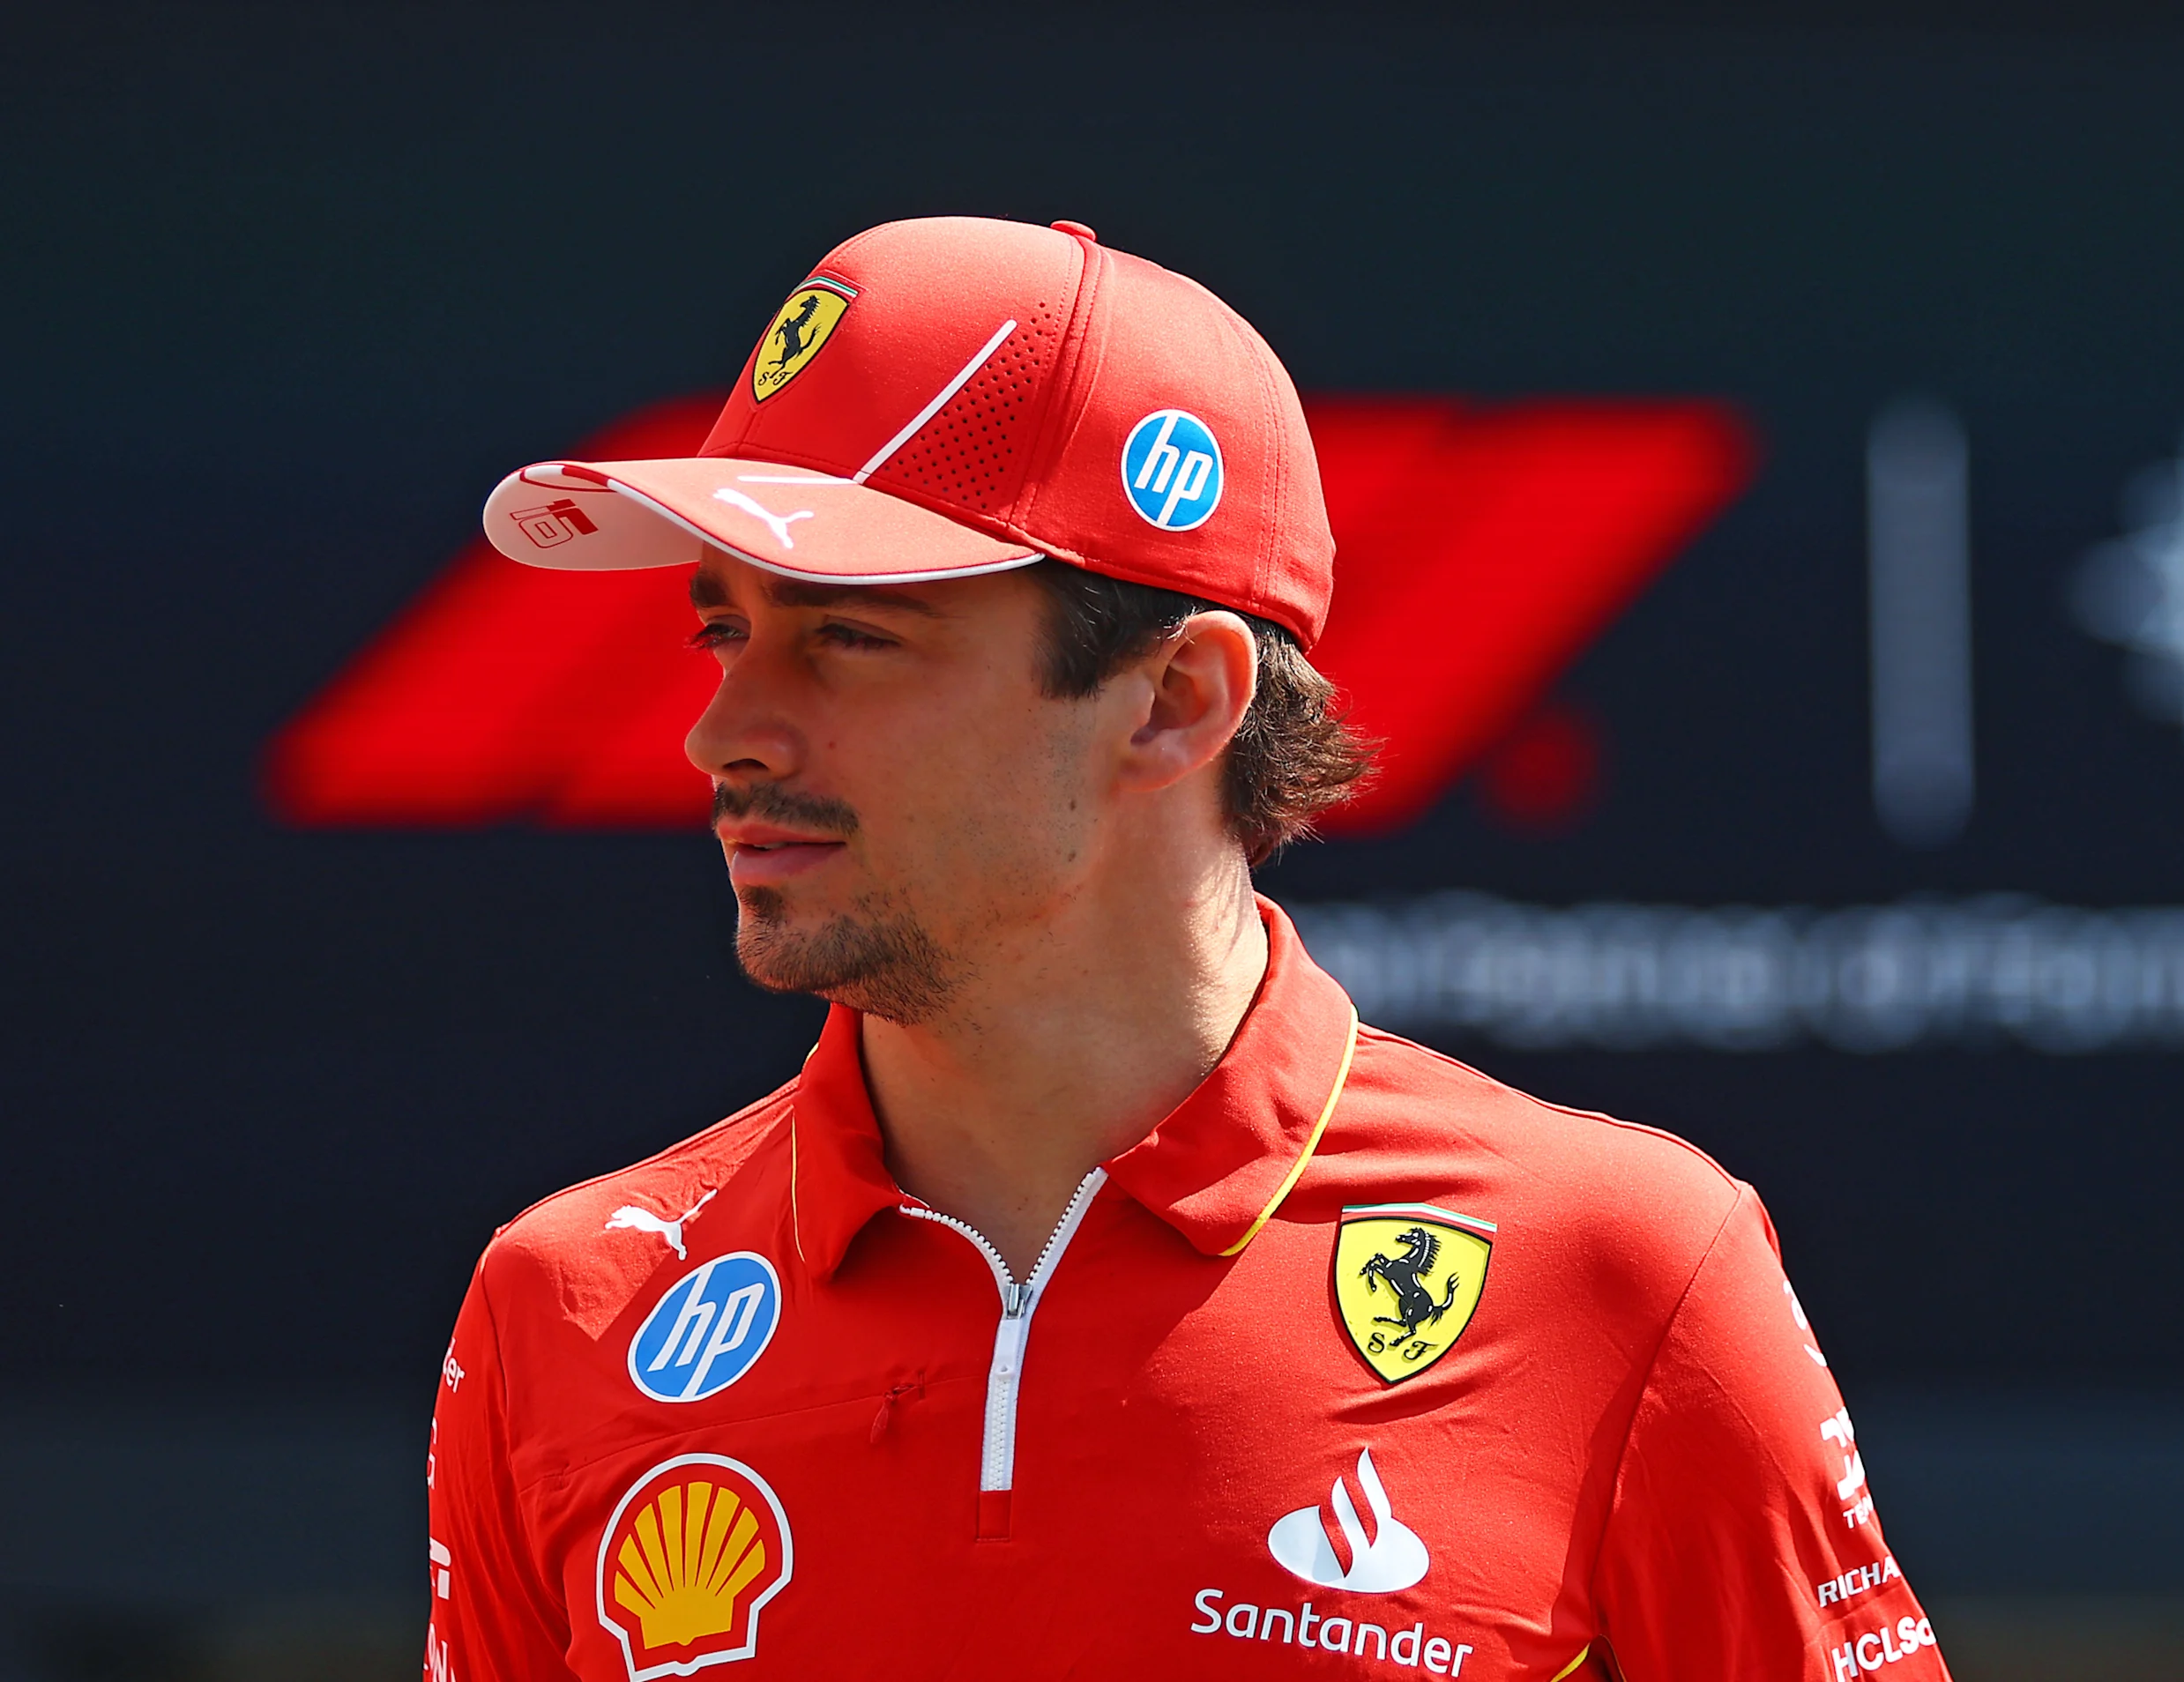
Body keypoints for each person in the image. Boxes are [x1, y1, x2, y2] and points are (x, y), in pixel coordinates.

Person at [427, 215, 1948, 1681]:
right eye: (723, 631)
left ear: (1173, 702)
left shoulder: (1626, 1275)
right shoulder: (564, 1308)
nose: (723, 732)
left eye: (847, 635)